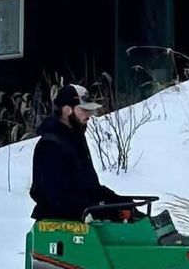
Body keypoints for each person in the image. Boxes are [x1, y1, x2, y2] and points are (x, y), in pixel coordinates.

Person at [29, 83, 122, 220]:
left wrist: (119, 202)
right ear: (67, 110)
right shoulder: (50, 146)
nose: (89, 114)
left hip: (84, 213)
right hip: (61, 224)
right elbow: (55, 196)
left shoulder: (75, 140)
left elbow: (88, 187)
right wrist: (96, 210)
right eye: (84, 109)